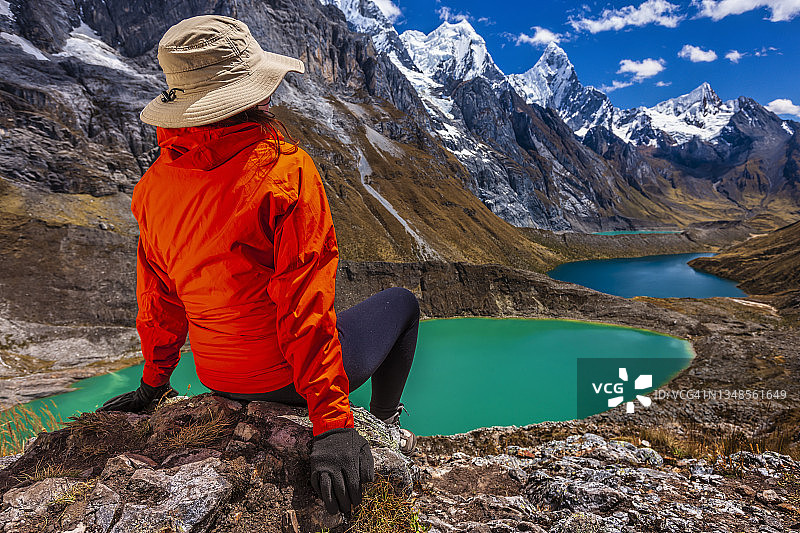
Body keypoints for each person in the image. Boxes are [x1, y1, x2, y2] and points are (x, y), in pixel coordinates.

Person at [98, 14, 419, 517]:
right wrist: (334, 425)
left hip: (215, 375)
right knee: (401, 304)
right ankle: (386, 424)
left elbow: (159, 301)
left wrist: (153, 385)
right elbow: (304, 305)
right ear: (254, 97)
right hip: (284, 380)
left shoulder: (152, 188)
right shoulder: (285, 171)